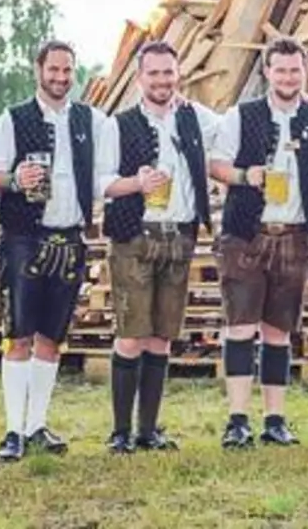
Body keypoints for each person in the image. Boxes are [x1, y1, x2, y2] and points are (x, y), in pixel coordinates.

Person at [0, 40, 110, 462]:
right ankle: (12, 430)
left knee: (52, 339)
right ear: (38, 70)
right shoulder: (12, 119)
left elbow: (103, 174)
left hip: (70, 235)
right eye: (53, 70)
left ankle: (36, 425)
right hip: (22, 236)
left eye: (67, 70)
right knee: (17, 336)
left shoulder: (90, 120)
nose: (60, 77)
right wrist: (16, 179)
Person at [96, 41, 219, 453]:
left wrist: (295, 94)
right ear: (139, 78)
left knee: (162, 336)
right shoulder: (119, 123)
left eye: (169, 72)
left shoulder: (195, 117)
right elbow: (101, 183)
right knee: (132, 335)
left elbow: (236, 125)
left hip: (179, 235)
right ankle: (119, 432)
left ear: (178, 75)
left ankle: (148, 431)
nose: (162, 80)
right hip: (134, 234)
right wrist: (136, 184)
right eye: (154, 73)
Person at [208, 37, 308, 449]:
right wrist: (245, 176)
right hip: (246, 232)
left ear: (304, 72)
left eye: (295, 69)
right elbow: (216, 164)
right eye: (281, 69)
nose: (288, 76)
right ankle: (237, 419)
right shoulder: (242, 115)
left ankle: (275, 419)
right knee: (240, 327)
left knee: (279, 331)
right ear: (267, 72)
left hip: (294, 233)